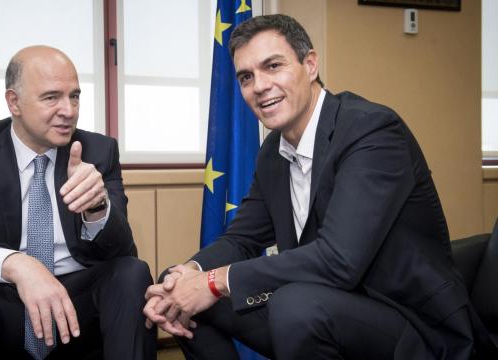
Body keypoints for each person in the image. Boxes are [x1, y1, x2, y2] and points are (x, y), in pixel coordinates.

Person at [144, 14, 496, 359]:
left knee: (292, 303)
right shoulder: (273, 153)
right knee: (180, 287)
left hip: (412, 324)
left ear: (310, 65)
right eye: (246, 76)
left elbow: (339, 260)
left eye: (273, 66)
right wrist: (188, 274)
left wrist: (214, 282)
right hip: (322, 307)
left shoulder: (371, 131)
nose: (260, 85)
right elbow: (242, 239)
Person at [0, 45, 156, 360]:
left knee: (132, 272)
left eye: (75, 96)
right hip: (4, 299)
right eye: (51, 97)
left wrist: (97, 207)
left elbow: (122, 251)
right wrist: (18, 265)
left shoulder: (98, 151)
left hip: (75, 303)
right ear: (14, 102)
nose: (68, 110)